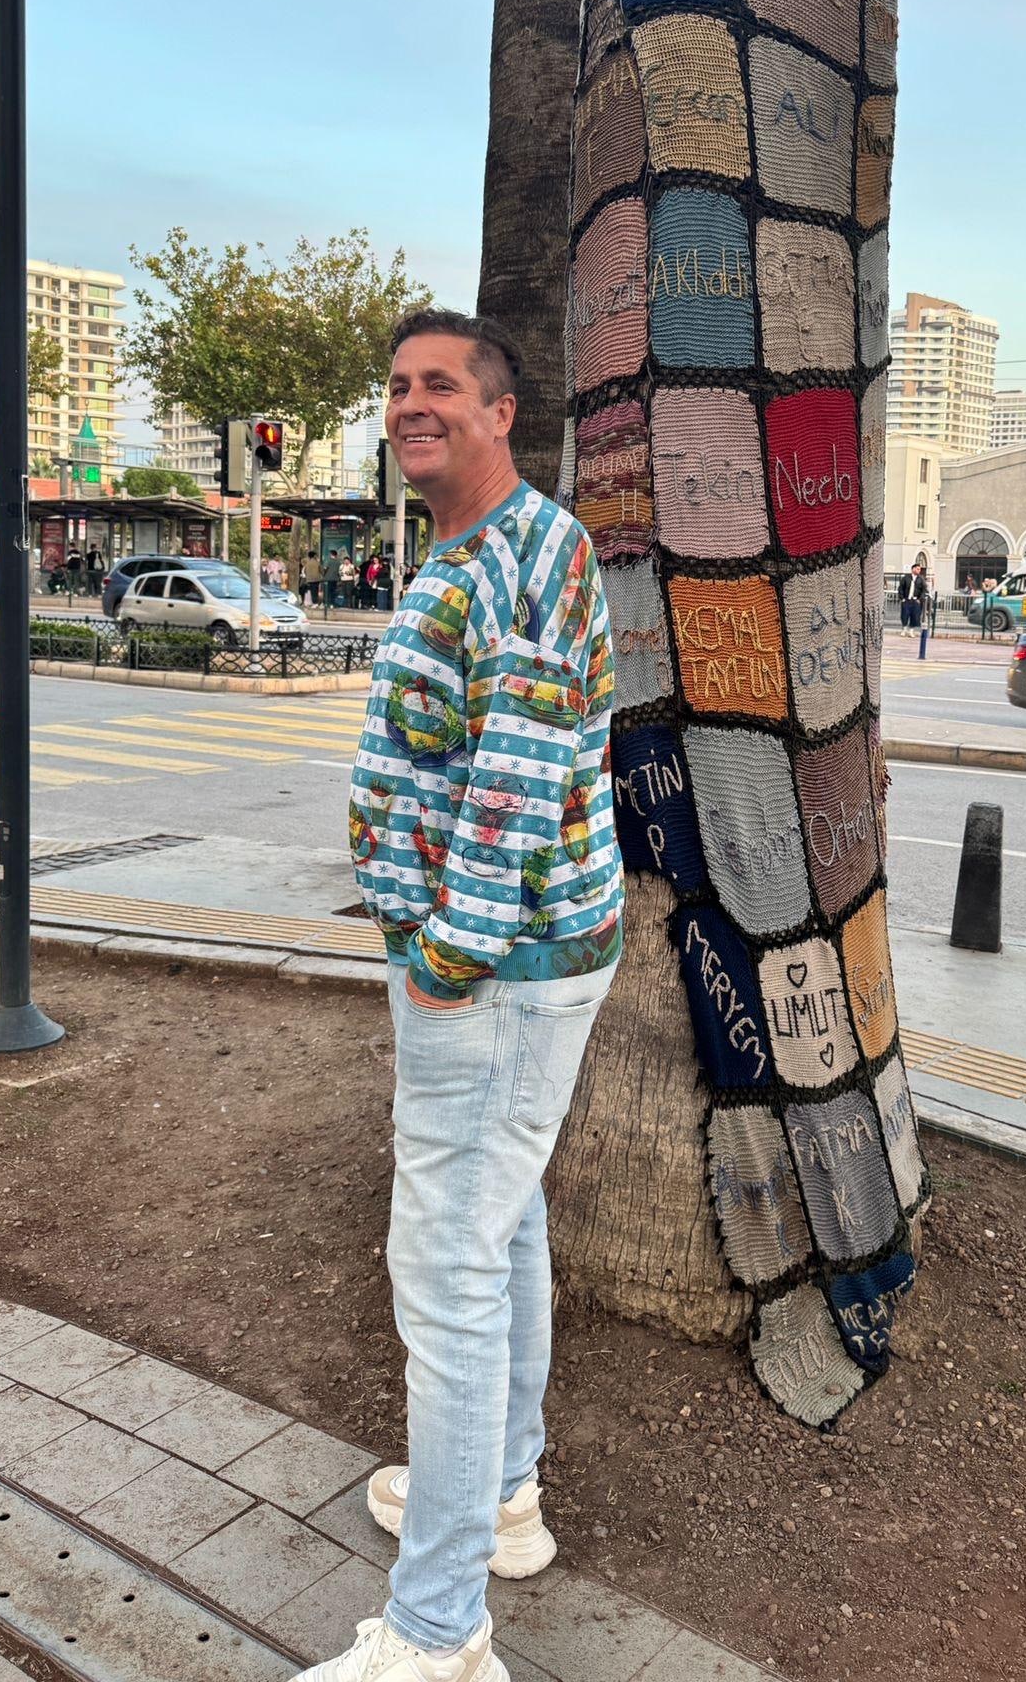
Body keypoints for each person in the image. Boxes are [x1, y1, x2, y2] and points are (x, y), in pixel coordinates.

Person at [315, 310, 623, 1682]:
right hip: (497, 961)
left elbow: (518, 776)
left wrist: (444, 958)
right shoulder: (467, 548)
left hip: (496, 968)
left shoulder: (531, 550)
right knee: (498, 1230)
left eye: (441, 384)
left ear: (503, 412)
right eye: (398, 386)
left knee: (444, 1269)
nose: (411, 404)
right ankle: (500, 1496)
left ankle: (438, 1631)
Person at [896, 562, 926, 637]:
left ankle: (911, 631)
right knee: (904, 615)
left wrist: (920, 599)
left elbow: (924, 590)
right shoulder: (906, 578)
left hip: (915, 600)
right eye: (917, 569)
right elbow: (901, 588)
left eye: (919, 569)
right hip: (906, 600)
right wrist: (902, 598)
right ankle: (904, 629)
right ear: (913, 569)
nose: (919, 570)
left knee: (915, 616)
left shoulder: (921, 579)